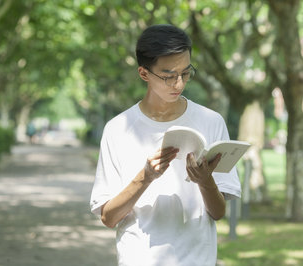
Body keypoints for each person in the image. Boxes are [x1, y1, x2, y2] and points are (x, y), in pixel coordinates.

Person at [89, 24, 241, 266]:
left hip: (198, 259)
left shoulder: (211, 122)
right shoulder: (118, 129)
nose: (179, 84)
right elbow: (109, 217)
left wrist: (205, 180)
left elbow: (218, 213)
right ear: (144, 73)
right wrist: (145, 177)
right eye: (169, 76)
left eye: (185, 72)